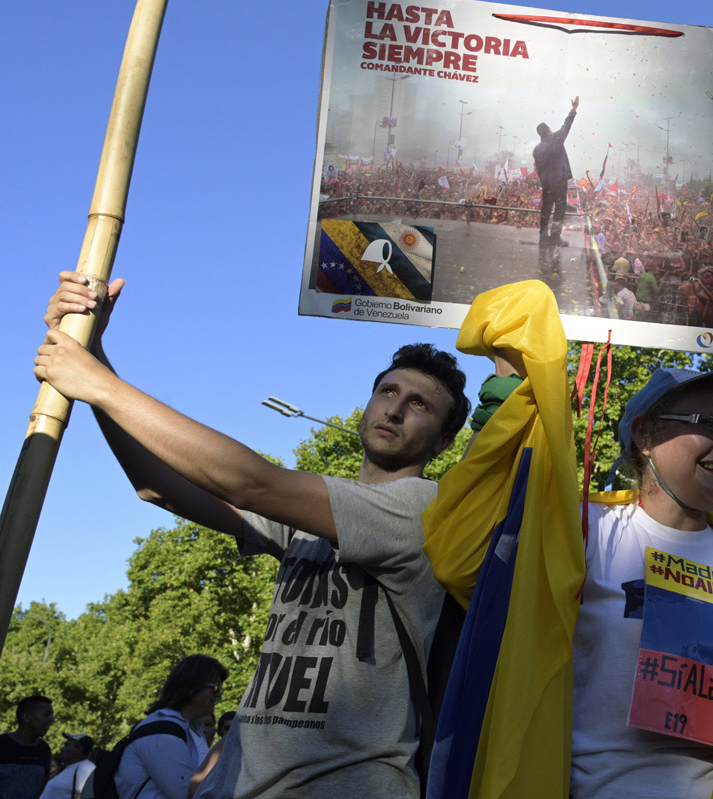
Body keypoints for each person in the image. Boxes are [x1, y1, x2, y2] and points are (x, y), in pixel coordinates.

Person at [36, 272, 471, 799]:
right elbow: (158, 487)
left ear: (445, 440)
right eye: (388, 391)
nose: (396, 409)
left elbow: (247, 483)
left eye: (420, 404)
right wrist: (96, 355)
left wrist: (99, 385)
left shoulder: (422, 508)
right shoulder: (314, 512)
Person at [423, 281, 713, 798]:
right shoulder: (583, 530)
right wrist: (514, 378)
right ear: (645, 434)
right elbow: (464, 555)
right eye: (710, 425)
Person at [114, 656, 225, 799]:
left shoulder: (191, 728)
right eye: (215, 688)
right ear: (193, 685)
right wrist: (228, 741)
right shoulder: (161, 731)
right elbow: (188, 794)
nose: (219, 695)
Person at [533, 96, 579, 249]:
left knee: (546, 208)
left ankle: (542, 236)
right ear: (548, 130)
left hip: (547, 184)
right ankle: (555, 237)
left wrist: (545, 180)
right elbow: (567, 125)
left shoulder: (537, 149)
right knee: (559, 208)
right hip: (559, 181)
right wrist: (574, 109)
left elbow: (538, 169)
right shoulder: (556, 139)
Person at [0, 696, 54, 799]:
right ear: (26, 717)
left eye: (51, 715)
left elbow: (43, 784)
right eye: (46, 714)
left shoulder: (43, 749)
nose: (51, 719)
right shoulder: (2, 744)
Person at [36, 734, 94, 799]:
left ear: (79, 749)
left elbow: (87, 795)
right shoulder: (67, 768)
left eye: (66, 745)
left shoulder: (86, 768)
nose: (61, 748)